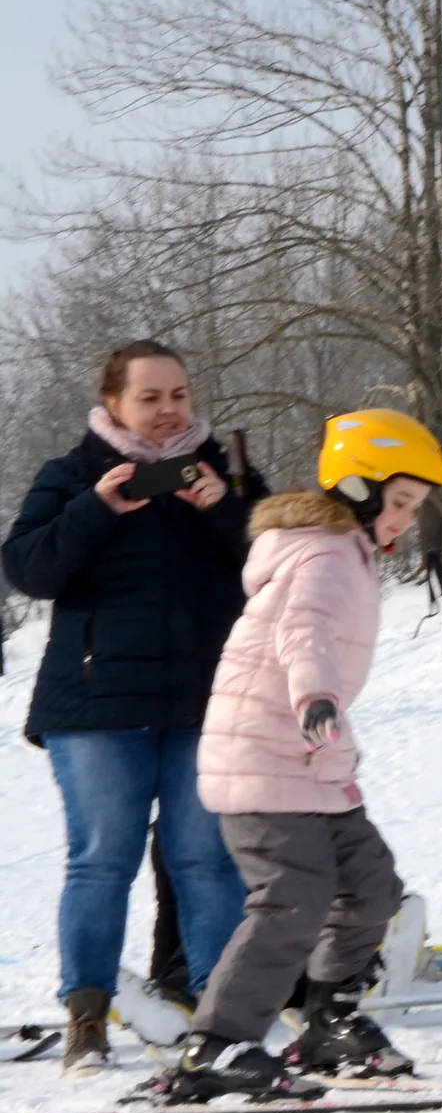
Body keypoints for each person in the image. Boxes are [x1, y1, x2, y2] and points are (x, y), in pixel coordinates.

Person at [147, 411, 442, 1102]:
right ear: (360, 488)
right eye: (399, 502)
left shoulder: (346, 550)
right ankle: (214, 1047)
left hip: (312, 761)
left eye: (414, 508)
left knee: (371, 886)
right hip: (265, 754)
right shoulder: (324, 554)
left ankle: (328, 1017)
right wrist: (315, 698)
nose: (405, 519)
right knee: (292, 901)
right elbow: (302, 630)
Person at [3, 340, 257, 1076]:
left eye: (178, 393)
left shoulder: (225, 469)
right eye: (149, 397)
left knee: (205, 859)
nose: (168, 409)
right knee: (101, 860)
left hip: (206, 702)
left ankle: (220, 1016)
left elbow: (276, 565)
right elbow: (28, 570)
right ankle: (87, 1016)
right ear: (113, 402)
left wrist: (224, 511)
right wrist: (98, 508)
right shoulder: (74, 474)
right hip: (96, 705)